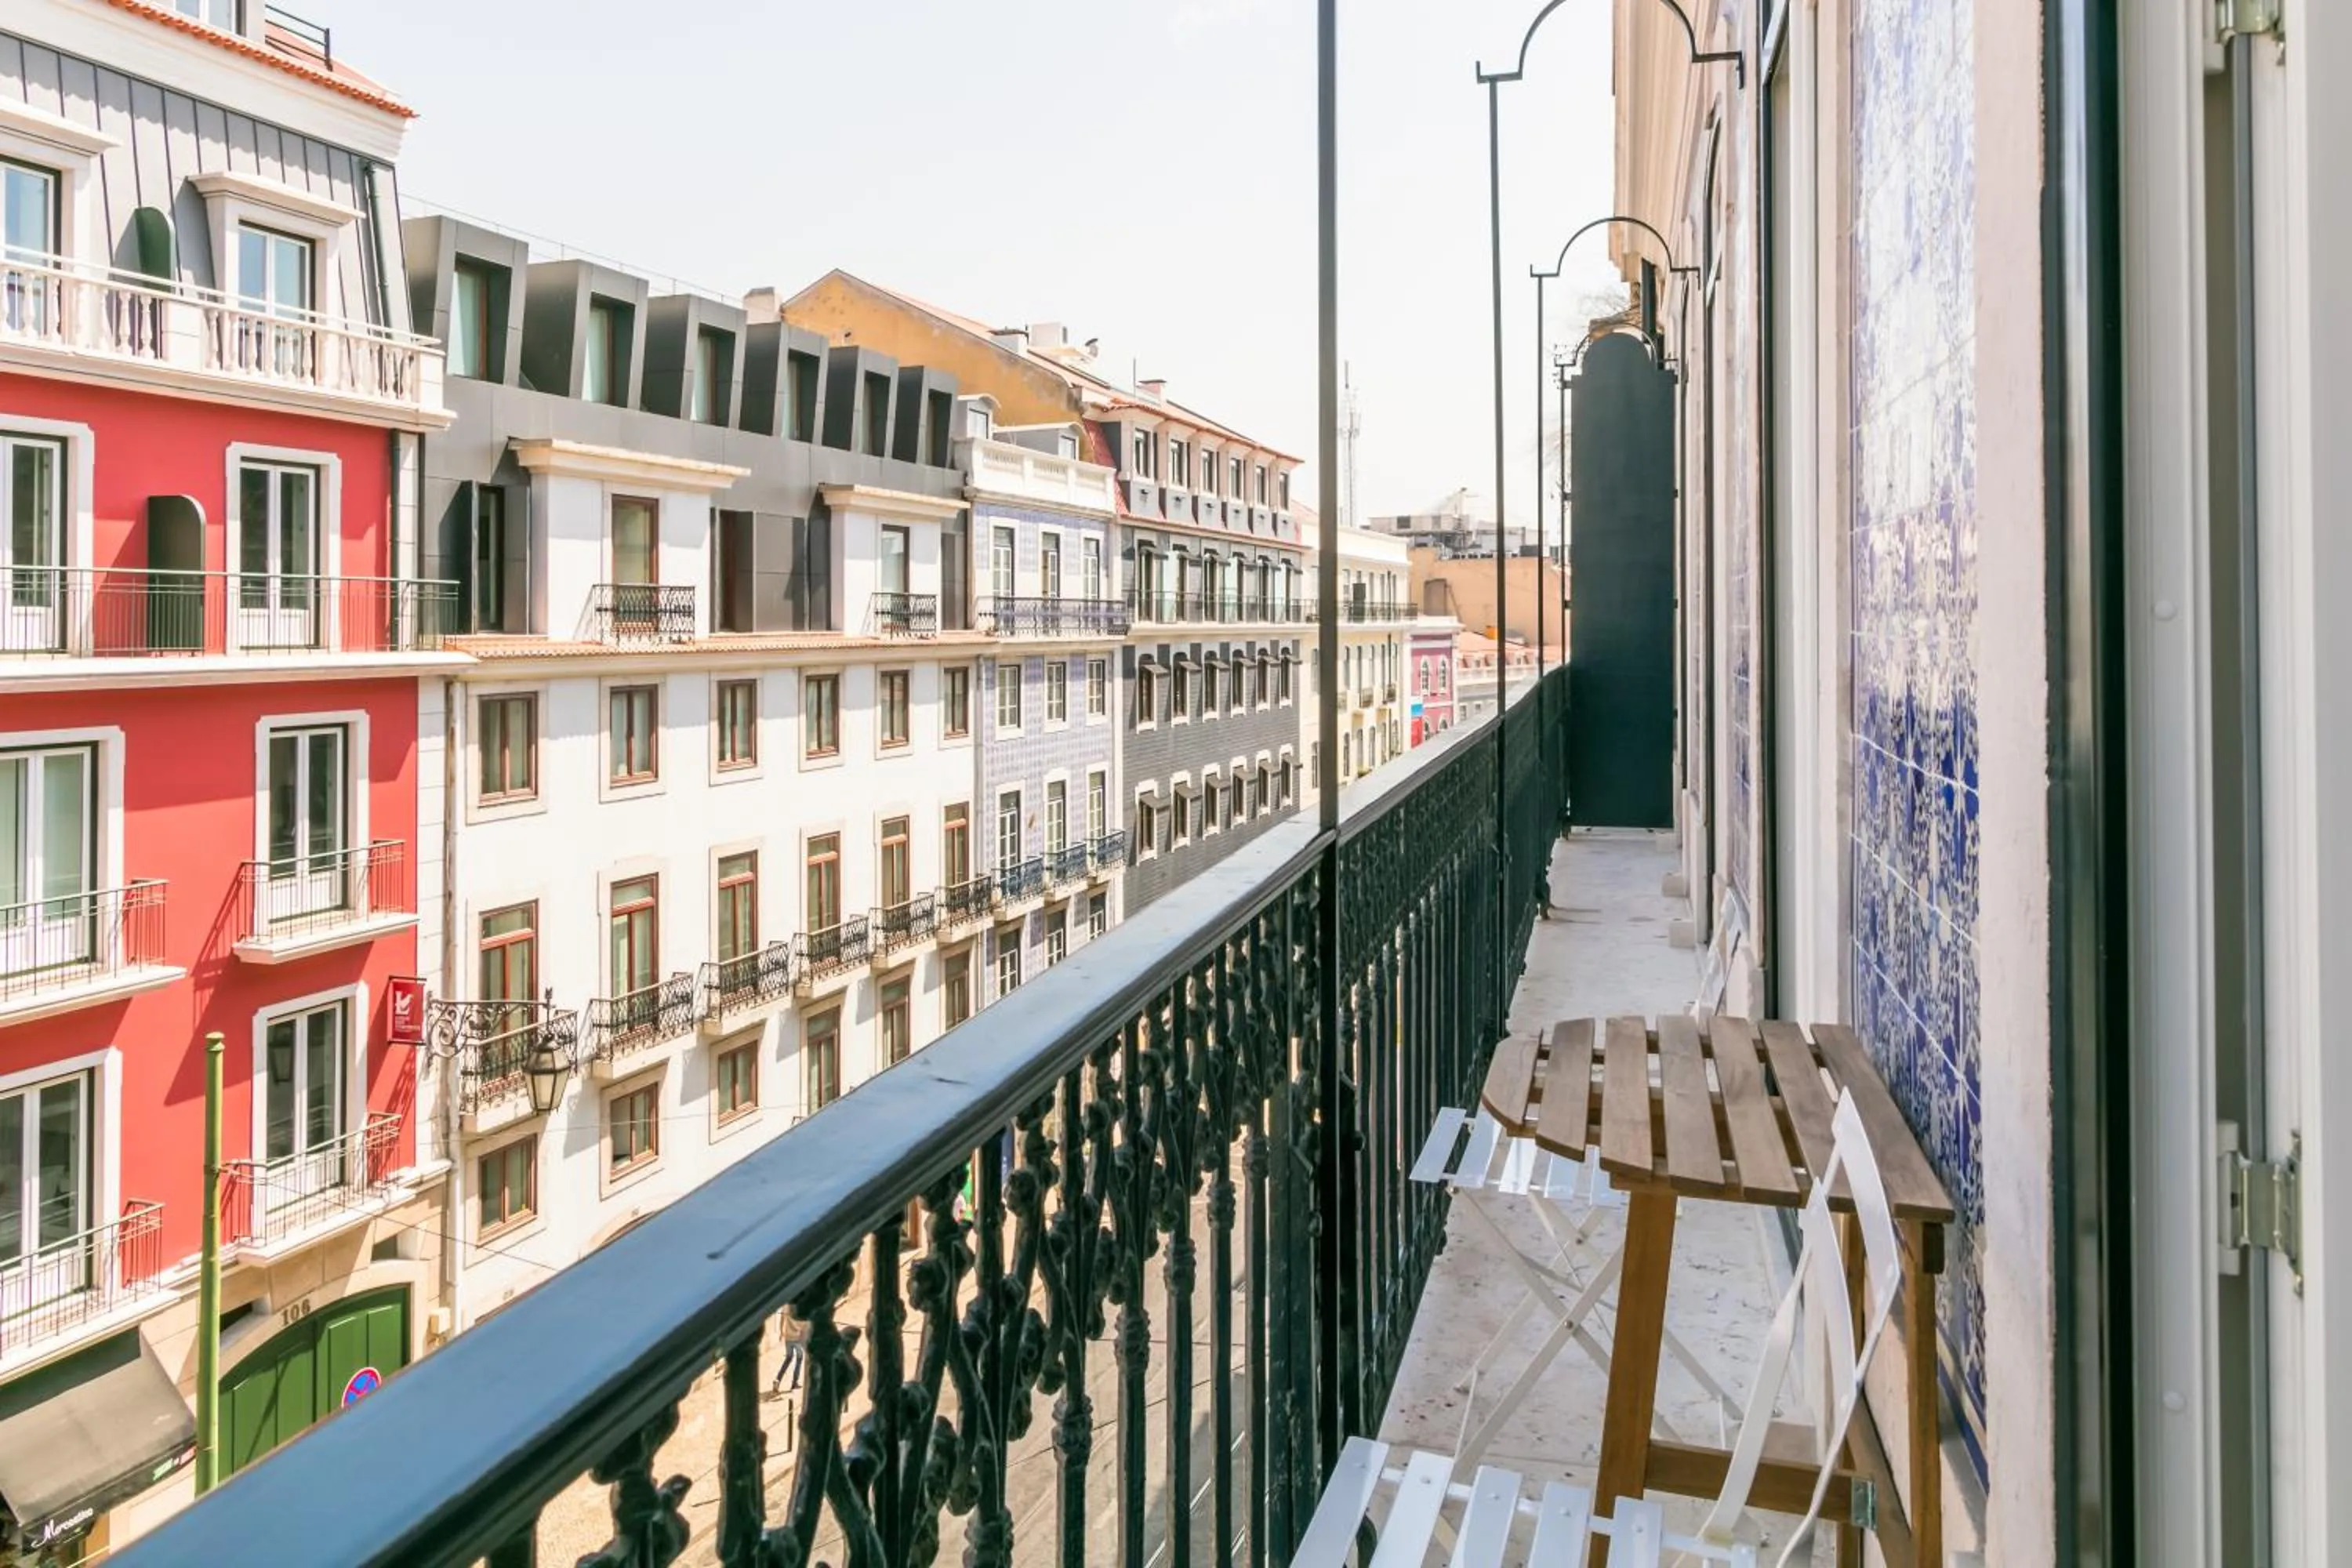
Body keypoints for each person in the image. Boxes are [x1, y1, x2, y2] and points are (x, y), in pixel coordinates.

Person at [767, 1305, 807, 1399]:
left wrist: (781, 1332)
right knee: (799, 1357)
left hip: (788, 1337)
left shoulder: (787, 1307)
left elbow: (782, 1318)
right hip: (796, 1338)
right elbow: (804, 1325)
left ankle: (778, 1380)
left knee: (789, 1358)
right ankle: (794, 1383)